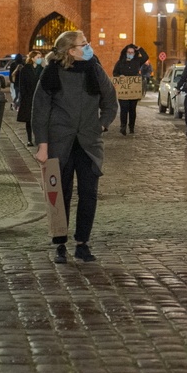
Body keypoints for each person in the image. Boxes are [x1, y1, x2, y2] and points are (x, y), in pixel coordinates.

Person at [32, 31, 118, 264]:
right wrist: (42, 145)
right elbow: (40, 110)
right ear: (71, 51)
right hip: (61, 142)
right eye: (84, 44)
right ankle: (60, 242)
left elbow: (111, 100)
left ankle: (83, 242)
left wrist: (102, 124)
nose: (89, 47)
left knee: (89, 193)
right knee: (60, 193)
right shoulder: (52, 73)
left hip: (89, 143)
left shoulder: (94, 69)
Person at [112, 43, 149, 135]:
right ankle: (123, 126)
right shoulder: (120, 62)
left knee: (132, 109)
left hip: (133, 90)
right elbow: (115, 73)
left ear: (134, 53)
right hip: (124, 90)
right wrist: (119, 76)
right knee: (124, 108)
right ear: (125, 52)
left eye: (132, 52)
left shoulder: (137, 61)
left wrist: (140, 48)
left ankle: (131, 127)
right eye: (128, 52)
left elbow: (146, 57)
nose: (130, 53)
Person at [16, 50, 44, 146]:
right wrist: (22, 97)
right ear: (32, 58)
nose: (40, 59)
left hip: (39, 98)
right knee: (28, 119)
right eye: (38, 57)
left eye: (40, 57)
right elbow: (22, 84)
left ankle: (38, 138)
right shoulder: (25, 69)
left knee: (38, 120)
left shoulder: (42, 69)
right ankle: (29, 139)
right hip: (28, 97)